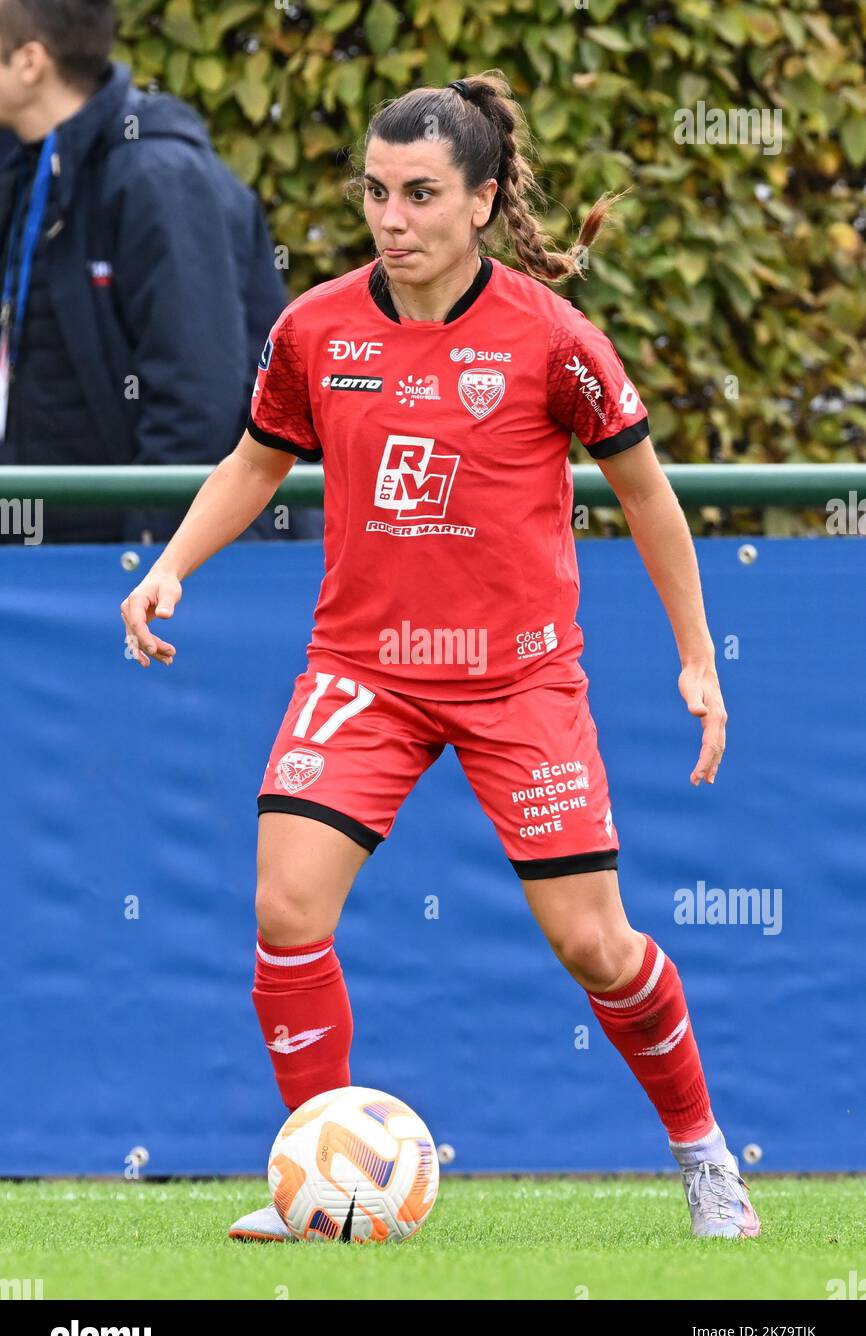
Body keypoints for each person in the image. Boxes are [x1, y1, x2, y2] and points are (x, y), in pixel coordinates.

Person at [120, 71, 761, 1243]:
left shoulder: (553, 338)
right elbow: (256, 460)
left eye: (419, 194)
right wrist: (171, 565)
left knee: (592, 943)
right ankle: (324, 1181)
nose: (390, 217)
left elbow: (649, 498)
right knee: (284, 905)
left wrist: (695, 657)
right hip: (362, 671)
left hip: (517, 677)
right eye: (374, 192)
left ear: (480, 201)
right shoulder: (314, 327)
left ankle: (704, 1154)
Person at [0, 0, 290, 543]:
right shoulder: (28, 165)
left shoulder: (157, 178)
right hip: (44, 557)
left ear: (30, 63)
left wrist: (152, 558)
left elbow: (195, 399)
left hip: (136, 571)